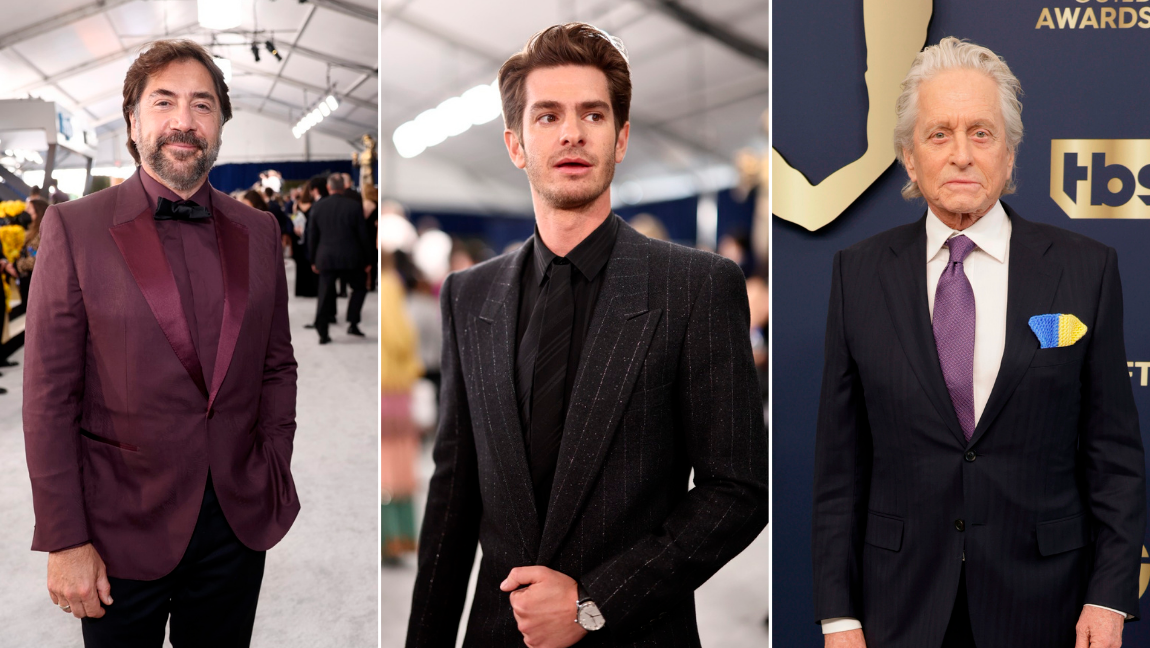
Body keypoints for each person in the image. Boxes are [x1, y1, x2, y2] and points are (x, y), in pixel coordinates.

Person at [406, 23, 769, 648]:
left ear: (620, 137)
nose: (572, 132)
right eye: (547, 116)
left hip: (634, 631)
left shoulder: (696, 287)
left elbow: (736, 492)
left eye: (592, 114)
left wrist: (592, 603)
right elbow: (452, 498)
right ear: (516, 145)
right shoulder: (470, 296)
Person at [812, 38, 1144, 648]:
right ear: (909, 158)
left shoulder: (1085, 270)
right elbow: (840, 469)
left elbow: (1114, 459)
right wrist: (838, 616)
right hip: (898, 609)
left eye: (981, 133)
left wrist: (1109, 599)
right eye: (939, 134)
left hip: (1047, 608)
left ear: (1011, 154)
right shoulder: (856, 275)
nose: (961, 154)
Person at [22, 39, 299, 647]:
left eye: (202, 105)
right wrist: (65, 538)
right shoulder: (75, 227)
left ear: (222, 122)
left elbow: (277, 364)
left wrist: (272, 460)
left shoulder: (257, 229)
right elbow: (48, 396)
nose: (183, 120)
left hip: (235, 519)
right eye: (164, 101)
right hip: (117, 526)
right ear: (133, 120)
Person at [306, 173, 371, 343]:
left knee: (325, 294)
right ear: (343, 187)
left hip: (326, 257)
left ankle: (323, 332)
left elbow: (312, 236)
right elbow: (363, 235)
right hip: (352, 257)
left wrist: (312, 259)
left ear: (328, 187)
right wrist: (368, 260)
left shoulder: (318, 207)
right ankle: (353, 322)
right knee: (359, 288)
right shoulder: (354, 206)